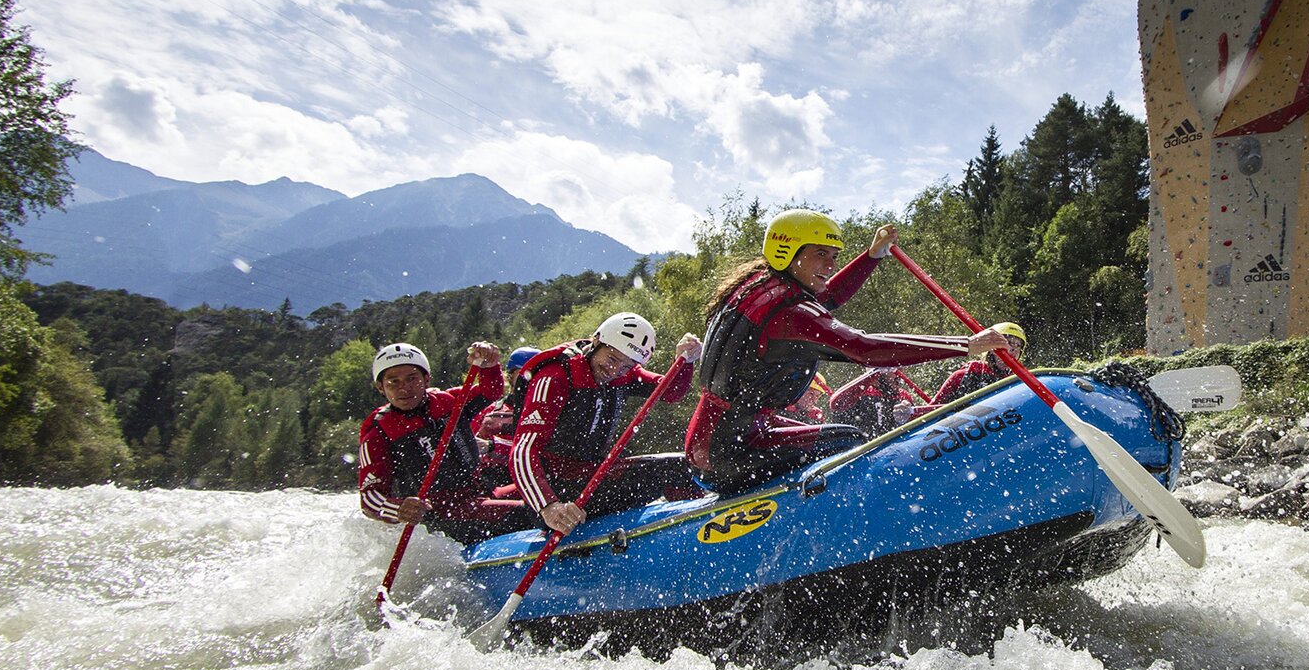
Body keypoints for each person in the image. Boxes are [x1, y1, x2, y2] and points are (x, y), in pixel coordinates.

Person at [685, 209, 1010, 495]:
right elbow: (863, 348)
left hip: (721, 440)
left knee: (837, 436)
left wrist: (872, 256)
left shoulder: (767, 285)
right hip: (726, 454)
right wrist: (965, 345)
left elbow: (827, 297)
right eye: (821, 254)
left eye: (835, 255)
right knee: (850, 441)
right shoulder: (789, 313)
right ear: (788, 252)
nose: (830, 264)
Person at [511, 312, 704, 535]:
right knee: (664, 472)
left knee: (684, 466)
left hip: (592, 475)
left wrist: (684, 361)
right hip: (556, 490)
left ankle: (695, 528)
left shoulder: (625, 374)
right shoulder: (554, 377)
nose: (614, 370)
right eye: (612, 359)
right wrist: (548, 507)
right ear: (596, 342)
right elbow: (523, 452)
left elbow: (671, 392)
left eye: (625, 366)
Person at [357, 341, 528, 545]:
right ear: (380, 387)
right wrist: (399, 509)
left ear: (426, 378)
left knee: (548, 488)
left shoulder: (447, 401)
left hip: (480, 493)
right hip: (439, 516)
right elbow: (369, 499)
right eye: (393, 382)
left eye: (412, 378)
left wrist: (489, 365)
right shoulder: (378, 432)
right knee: (529, 511)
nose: (404, 388)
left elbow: (490, 392)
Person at [931, 321, 1028, 405]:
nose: (1014, 349)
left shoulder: (1017, 383)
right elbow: (930, 412)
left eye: (1018, 345)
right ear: (992, 348)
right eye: (1009, 342)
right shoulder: (962, 376)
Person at [827, 368, 924, 435]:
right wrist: (874, 372)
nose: (901, 371)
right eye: (894, 367)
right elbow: (836, 404)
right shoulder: (858, 395)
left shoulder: (904, 396)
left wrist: (906, 421)